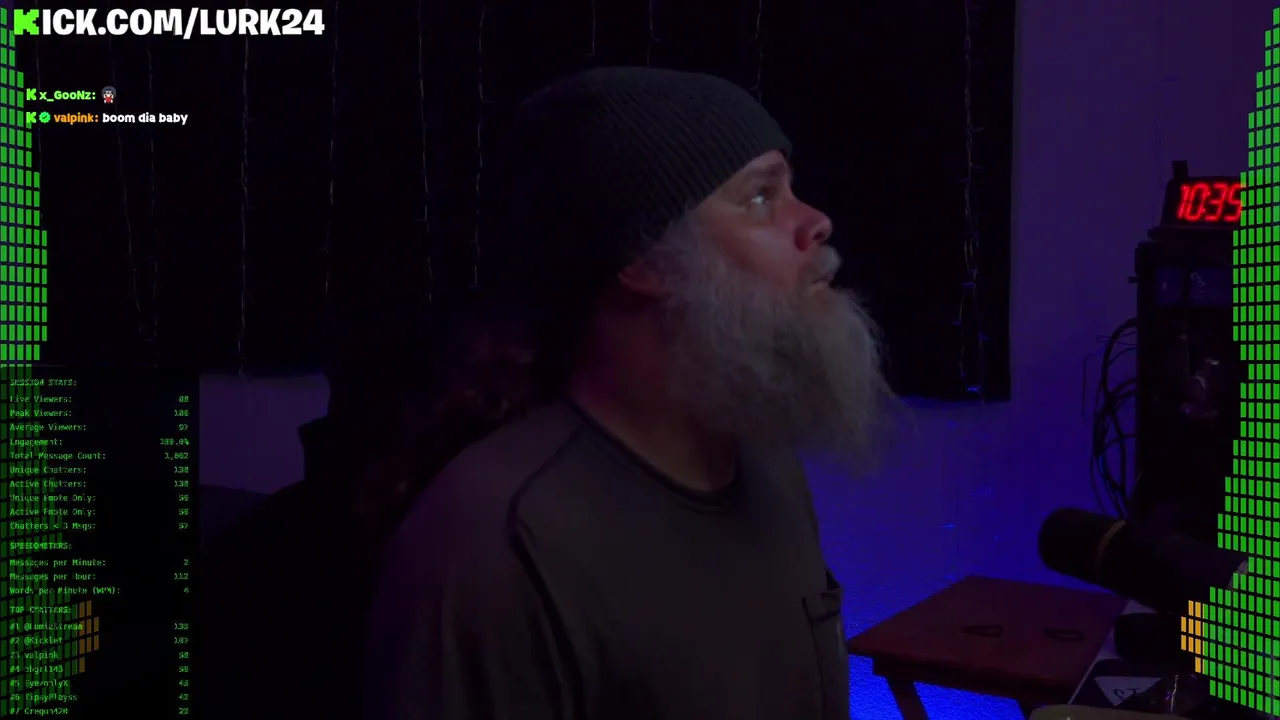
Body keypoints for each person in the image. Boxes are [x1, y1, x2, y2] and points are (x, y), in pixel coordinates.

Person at [362, 66, 891, 720]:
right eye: (760, 197)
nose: (815, 221)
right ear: (642, 259)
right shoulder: (494, 546)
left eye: (791, 189)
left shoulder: (767, 466)